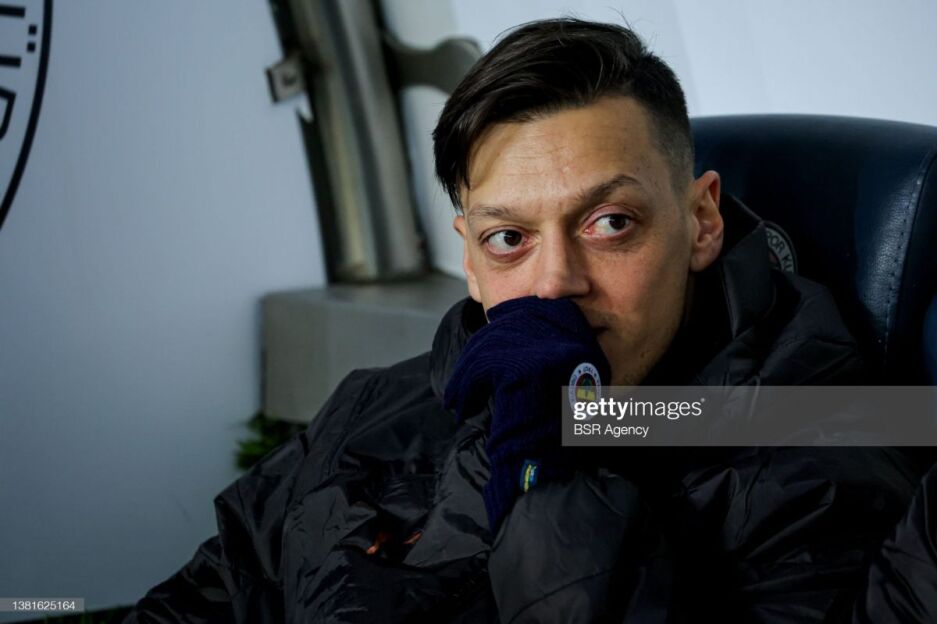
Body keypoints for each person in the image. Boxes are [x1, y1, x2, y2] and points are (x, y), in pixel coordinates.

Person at [124, 18, 934, 623]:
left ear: (701, 221)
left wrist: (547, 463)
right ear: (470, 260)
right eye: (508, 239)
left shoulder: (817, 466)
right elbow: (203, 599)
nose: (553, 285)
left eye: (608, 223)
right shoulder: (376, 406)